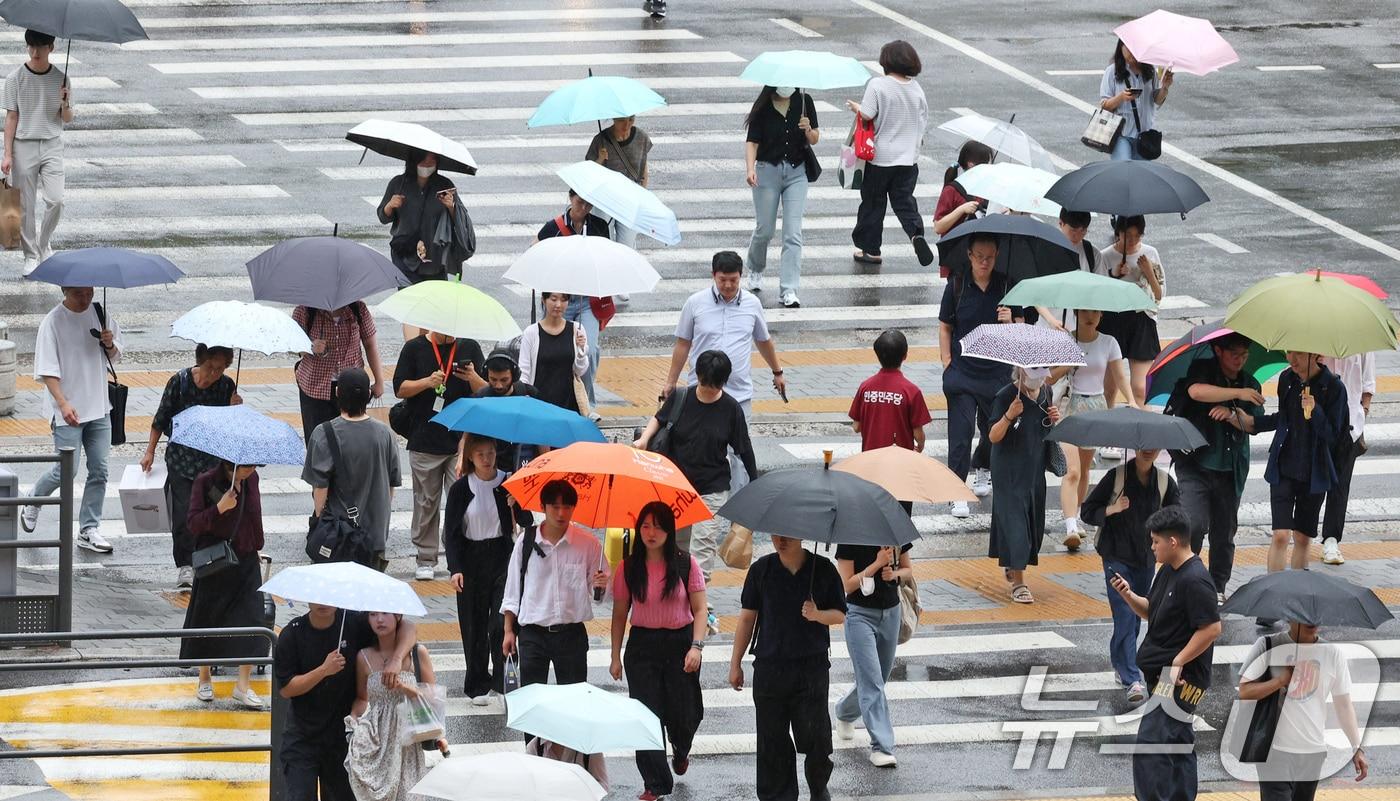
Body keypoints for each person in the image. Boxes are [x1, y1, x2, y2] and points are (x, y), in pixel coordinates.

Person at [1110, 506, 1222, 801]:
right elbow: (1152, 611)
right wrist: (1128, 595)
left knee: (1152, 744)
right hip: (1166, 675)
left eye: (1156, 541)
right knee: (1178, 742)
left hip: (1183, 680)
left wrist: (1177, 662)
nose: (1152, 547)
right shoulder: (1168, 571)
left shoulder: (1195, 579)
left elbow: (1211, 629)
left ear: (1173, 542)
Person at [730, 534, 846, 801]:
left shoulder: (823, 569)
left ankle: (818, 786)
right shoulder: (761, 570)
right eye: (776, 534)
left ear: (803, 533)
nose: (780, 540)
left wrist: (817, 614)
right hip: (770, 668)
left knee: (816, 738)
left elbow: (840, 613)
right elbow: (747, 619)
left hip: (811, 669)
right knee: (772, 742)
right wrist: (735, 663)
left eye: (788, 534)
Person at [664, 251, 786, 498]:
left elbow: (764, 341)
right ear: (713, 276)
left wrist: (777, 372)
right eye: (723, 280)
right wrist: (670, 382)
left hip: (739, 395)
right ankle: (699, 500)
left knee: (739, 454)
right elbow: (682, 344)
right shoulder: (695, 303)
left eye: (733, 280)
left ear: (741, 277)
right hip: (701, 394)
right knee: (701, 450)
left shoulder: (752, 304)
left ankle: (737, 511)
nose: (728, 285)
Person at [608, 502, 707, 801]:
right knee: (646, 716)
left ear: (670, 530)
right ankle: (655, 783)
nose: (651, 532)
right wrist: (615, 655)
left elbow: (701, 608)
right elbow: (619, 614)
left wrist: (696, 646)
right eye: (646, 525)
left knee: (685, 713)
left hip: (680, 645)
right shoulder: (628, 567)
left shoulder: (686, 564)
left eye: (659, 526)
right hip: (642, 648)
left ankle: (681, 747)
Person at [635, 349, 756, 590]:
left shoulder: (731, 409)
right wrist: (644, 440)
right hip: (677, 486)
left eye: (715, 385)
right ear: (698, 376)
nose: (710, 390)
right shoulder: (681, 397)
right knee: (677, 545)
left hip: (712, 488)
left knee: (702, 545)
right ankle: (676, 594)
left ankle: (697, 599)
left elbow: (744, 448)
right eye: (705, 383)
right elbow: (659, 418)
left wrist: (755, 482)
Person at [275, 604, 416, 801]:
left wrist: (396, 659)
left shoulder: (352, 623)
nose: (322, 604)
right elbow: (287, 688)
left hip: (342, 739)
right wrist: (323, 670)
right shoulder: (293, 633)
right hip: (302, 738)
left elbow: (408, 627)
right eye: (316, 597)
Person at [21, 286, 121, 554]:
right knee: (67, 469)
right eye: (79, 294)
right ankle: (34, 498)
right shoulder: (53, 321)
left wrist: (109, 343)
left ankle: (88, 528)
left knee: (100, 470)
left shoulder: (100, 313)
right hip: (67, 410)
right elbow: (46, 370)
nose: (86, 299)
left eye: (89, 293)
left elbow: (116, 355)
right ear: (65, 290)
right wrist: (63, 404)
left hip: (99, 406)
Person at [1232, 352, 1347, 582]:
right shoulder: (1287, 379)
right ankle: (1272, 601)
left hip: (1314, 472)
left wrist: (1315, 411)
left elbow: (1334, 435)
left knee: (1303, 538)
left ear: (1315, 355)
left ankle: (1296, 602)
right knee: (1281, 535)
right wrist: (1251, 423)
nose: (1291, 359)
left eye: (1298, 354)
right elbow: (1283, 418)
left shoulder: (1334, 387)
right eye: (1289, 352)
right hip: (1284, 466)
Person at [1080, 447, 1180, 703]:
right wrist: (1112, 509)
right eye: (1144, 445)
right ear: (1134, 447)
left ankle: (1119, 661)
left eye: (1154, 446)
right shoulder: (1116, 477)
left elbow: (1178, 518)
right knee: (1124, 614)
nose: (1149, 450)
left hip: (1146, 559)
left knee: (1136, 616)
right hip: (1115, 557)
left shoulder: (1163, 482)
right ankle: (1132, 678)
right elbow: (1088, 511)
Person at [1170, 332, 1265, 601]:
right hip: (1195, 464)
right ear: (1218, 351)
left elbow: (1253, 424)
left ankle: (1217, 586)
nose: (1240, 359)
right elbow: (1196, 391)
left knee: (1224, 533)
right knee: (1195, 524)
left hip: (1230, 469)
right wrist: (1236, 393)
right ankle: (1186, 579)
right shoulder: (1202, 370)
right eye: (1234, 354)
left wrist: (1232, 413)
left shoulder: (1251, 383)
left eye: (1244, 354)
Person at [140, 344, 240, 590]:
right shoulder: (180, 381)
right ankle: (185, 565)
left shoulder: (226, 386)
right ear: (200, 361)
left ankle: (210, 561)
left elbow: (230, 426)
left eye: (220, 369)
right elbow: (160, 418)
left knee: (215, 510)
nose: (214, 374)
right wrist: (150, 451)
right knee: (185, 514)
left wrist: (236, 408)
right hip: (181, 461)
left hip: (212, 462)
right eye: (210, 367)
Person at [393, 327, 487, 580]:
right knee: (425, 502)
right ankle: (425, 557)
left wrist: (472, 376)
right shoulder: (414, 348)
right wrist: (427, 382)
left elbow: (486, 391)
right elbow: (400, 388)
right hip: (424, 438)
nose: (449, 331)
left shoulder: (470, 347)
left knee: (464, 501)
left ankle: (459, 552)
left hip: (461, 441)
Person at [444, 435, 532, 706]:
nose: (486, 459)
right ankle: (477, 683)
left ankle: (505, 681)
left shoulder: (508, 482)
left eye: (491, 453)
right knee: (473, 624)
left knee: (502, 621)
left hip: (502, 556)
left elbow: (528, 521)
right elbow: (452, 533)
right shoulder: (461, 488)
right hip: (471, 559)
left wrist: (516, 504)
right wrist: (455, 568)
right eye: (480, 454)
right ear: (470, 456)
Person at [1237, 620, 1369, 798]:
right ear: (1289, 616)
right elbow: (1245, 691)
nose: (1311, 620)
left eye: (1316, 615)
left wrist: (1356, 748)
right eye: (1304, 616)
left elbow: (1344, 705)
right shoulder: (1268, 645)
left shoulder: (1333, 654)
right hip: (1274, 751)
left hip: (1313, 753)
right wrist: (1281, 681)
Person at [939, 234, 1021, 515]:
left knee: (992, 432)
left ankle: (983, 467)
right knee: (960, 434)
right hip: (962, 374)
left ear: (997, 254)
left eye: (990, 257)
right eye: (979, 257)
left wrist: (1010, 320)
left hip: (997, 373)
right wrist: (946, 362)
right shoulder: (958, 285)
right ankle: (955, 489)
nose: (984, 262)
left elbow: (1022, 327)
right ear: (970, 256)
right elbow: (945, 326)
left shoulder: (1008, 285)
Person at [500, 480, 607, 689]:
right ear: (543, 507)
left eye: (567, 507)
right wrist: (508, 631)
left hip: (571, 635)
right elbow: (512, 590)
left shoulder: (588, 544)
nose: (561, 514)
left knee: (573, 702)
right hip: (533, 633)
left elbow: (600, 595)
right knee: (533, 700)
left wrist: (599, 585)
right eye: (555, 507)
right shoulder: (525, 541)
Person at [182, 461, 268, 709]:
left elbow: (254, 514)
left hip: (246, 558)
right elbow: (193, 524)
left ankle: (243, 685)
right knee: (209, 618)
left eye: (254, 466)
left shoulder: (252, 480)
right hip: (216, 561)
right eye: (247, 467)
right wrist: (219, 508)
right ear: (233, 465)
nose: (251, 471)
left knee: (252, 619)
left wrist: (256, 544)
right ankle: (205, 675)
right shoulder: (205, 481)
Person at [303, 369, 401, 571]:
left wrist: (319, 521)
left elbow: (319, 488)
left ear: (337, 392)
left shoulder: (324, 433)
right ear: (368, 395)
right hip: (375, 535)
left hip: (339, 535)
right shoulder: (385, 433)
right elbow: (391, 486)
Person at [1048, 309, 1130, 550]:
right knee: (1071, 471)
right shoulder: (1066, 341)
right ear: (1076, 312)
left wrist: (1132, 401)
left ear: (1101, 315)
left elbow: (1119, 376)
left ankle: (1077, 515)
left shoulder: (1108, 343)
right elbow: (1049, 379)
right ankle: (1070, 526)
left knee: (1084, 470)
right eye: (1085, 311)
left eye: (1095, 312)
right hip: (1069, 407)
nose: (1090, 316)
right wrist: (1067, 364)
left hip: (1095, 408)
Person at [847, 40, 932, 268]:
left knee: (873, 203)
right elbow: (922, 122)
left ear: (887, 61)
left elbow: (867, 114)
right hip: (908, 160)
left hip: (880, 159)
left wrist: (856, 107)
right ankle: (916, 234)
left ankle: (871, 249)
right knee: (904, 202)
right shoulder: (917, 90)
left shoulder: (878, 85)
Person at [347, 612, 443, 801]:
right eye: (373, 615)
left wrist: (404, 687)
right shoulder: (364, 657)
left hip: (407, 741)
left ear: (398, 616)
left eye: (385, 614)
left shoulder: (417, 653)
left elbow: (434, 699)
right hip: (375, 740)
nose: (379, 620)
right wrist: (353, 723)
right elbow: (361, 698)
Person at [833, 541, 913, 766]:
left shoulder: (892, 529)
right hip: (859, 615)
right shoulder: (849, 536)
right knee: (872, 681)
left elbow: (908, 569)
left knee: (878, 679)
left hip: (891, 612)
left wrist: (894, 575)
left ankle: (844, 711)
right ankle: (882, 746)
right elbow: (847, 585)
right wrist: (876, 565)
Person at [987, 366, 1060, 604]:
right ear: (1020, 370)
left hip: (1034, 469)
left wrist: (1054, 420)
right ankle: (1019, 583)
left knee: (1033, 526)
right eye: (1033, 370)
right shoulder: (1005, 395)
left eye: (1042, 370)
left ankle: (1013, 561)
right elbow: (993, 436)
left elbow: (1045, 430)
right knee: (1017, 524)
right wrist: (1009, 415)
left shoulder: (1046, 392)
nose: (1039, 375)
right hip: (1008, 471)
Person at [3, 30, 72, 274]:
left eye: (40, 47)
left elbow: (67, 118)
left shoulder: (61, 78)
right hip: (24, 144)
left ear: (51, 48)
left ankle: (44, 244)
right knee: (25, 205)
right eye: (31, 47)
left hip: (52, 144)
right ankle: (30, 255)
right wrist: (7, 154)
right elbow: (11, 117)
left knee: (56, 200)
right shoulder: (15, 78)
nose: (35, 52)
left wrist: (65, 102)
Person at [744, 84, 819, 308]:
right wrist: (750, 169)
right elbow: (752, 142)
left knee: (793, 233)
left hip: (797, 173)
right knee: (765, 229)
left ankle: (789, 289)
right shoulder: (764, 106)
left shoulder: (805, 101)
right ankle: (756, 268)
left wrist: (808, 129)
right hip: (768, 171)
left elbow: (815, 138)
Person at [535, 191, 610, 411]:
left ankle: (586, 404)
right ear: (570, 198)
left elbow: (604, 258)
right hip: (561, 297)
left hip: (588, 299)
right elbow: (537, 252)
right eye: (580, 202)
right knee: (551, 346)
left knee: (589, 349)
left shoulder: (599, 227)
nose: (584, 208)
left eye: (589, 204)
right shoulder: (553, 228)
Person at [291, 302, 385, 442]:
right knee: (318, 441)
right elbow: (292, 345)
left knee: (352, 439)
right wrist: (310, 346)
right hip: (314, 388)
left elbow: (370, 345)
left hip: (352, 387)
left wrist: (379, 381)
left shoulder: (358, 308)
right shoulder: (306, 310)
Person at [1097, 215, 1164, 407]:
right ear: (1118, 233)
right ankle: (1106, 432)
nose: (1132, 240)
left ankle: (1142, 432)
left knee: (1140, 388)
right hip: (1112, 320)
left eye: (1137, 235)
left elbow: (1159, 295)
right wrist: (1115, 274)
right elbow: (1099, 292)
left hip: (1141, 320)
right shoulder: (1105, 256)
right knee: (1109, 388)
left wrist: (1148, 271)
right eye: (1127, 235)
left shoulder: (1150, 253)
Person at [1318, 352, 1375, 566]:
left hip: (1350, 425)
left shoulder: (1361, 342)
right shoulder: (1315, 339)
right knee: (1312, 483)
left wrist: (1363, 411)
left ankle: (1331, 539)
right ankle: (1303, 533)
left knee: (1340, 485)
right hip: (1319, 422)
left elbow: (1368, 383)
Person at [377, 150, 467, 281]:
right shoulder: (398, 183)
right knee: (408, 298)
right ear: (413, 161)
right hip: (405, 255)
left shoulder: (445, 185)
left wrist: (451, 207)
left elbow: (459, 221)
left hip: (435, 257)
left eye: (432, 161)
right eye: (423, 160)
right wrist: (390, 206)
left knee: (434, 299)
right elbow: (383, 217)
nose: (427, 165)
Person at [849, 329, 931, 458]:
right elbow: (918, 434)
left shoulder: (865, 387)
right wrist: (920, 446)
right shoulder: (911, 391)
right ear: (905, 356)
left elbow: (856, 426)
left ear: (877, 355)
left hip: (870, 459)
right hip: (900, 460)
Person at [461, 347, 538, 475]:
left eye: (504, 380)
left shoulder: (529, 394)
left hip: (523, 463)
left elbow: (541, 433)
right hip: (491, 467)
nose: (498, 385)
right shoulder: (480, 399)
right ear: (486, 375)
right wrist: (461, 459)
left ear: (514, 376)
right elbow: (467, 435)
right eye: (493, 379)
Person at [1099, 39, 1172, 162]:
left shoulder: (1150, 71)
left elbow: (1157, 100)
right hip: (1121, 134)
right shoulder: (1112, 71)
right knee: (1123, 170)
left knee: (1141, 175)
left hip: (1144, 136)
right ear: (1121, 48)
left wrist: (1165, 87)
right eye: (1128, 48)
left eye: (1135, 49)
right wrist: (1121, 97)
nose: (1132, 53)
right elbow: (1104, 105)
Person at [586, 115, 652, 249]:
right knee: (604, 244)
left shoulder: (641, 138)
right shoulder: (600, 141)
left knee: (627, 247)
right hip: (605, 200)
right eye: (622, 120)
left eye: (631, 119)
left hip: (630, 200)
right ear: (613, 119)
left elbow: (643, 169)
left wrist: (642, 196)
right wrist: (600, 159)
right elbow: (589, 173)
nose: (627, 125)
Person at [519, 291, 589, 416]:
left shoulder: (576, 329)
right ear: (544, 300)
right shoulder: (531, 332)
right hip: (539, 403)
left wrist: (581, 349)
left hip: (568, 404)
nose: (558, 304)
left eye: (563, 300)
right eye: (553, 299)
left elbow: (580, 371)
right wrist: (524, 397)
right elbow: (524, 370)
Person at [1035, 209, 1103, 333]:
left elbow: (1100, 292)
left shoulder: (1092, 254)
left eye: (1082, 231)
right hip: (1048, 327)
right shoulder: (1046, 250)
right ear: (1061, 223)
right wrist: (1051, 320)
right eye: (1073, 230)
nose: (1077, 235)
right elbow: (1035, 294)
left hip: (1080, 331)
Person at [932, 141, 993, 277]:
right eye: (986, 164)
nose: (989, 168)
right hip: (958, 258)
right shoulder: (952, 190)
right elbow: (938, 227)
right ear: (971, 164)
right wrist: (961, 209)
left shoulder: (987, 188)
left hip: (980, 257)